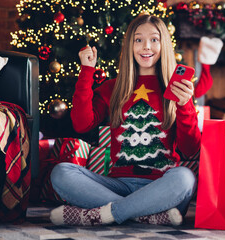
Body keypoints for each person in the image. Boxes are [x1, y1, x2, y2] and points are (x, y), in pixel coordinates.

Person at [49, 14, 201, 226]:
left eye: (154, 40)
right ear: (130, 45)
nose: (146, 46)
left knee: (185, 178)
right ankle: (146, 215)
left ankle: (101, 214)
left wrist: (185, 105)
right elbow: (81, 124)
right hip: (118, 184)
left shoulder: (176, 90)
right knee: (62, 172)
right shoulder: (114, 88)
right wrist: (86, 72)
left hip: (162, 186)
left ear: (163, 44)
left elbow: (190, 148)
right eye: (138, 39)